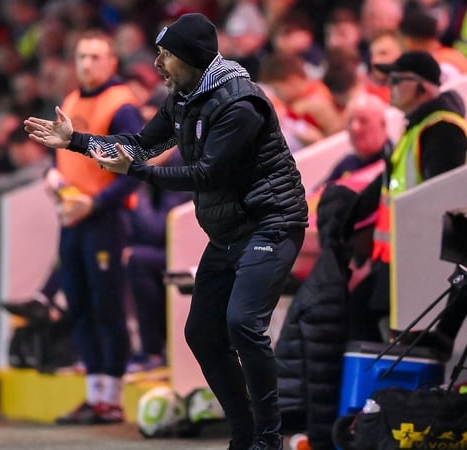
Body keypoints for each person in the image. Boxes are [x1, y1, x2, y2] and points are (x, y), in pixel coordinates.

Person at [25, 13, 308, 450]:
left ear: (192, 59)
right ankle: (244, 435)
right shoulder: (185, 94)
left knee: (243, 324)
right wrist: (75, 141)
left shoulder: (240, 104)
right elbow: (142, 142)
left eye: (166, 55)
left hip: (271, 223)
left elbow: (206, 174)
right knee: (201, 333)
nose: (157, 63)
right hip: (230, 230)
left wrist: (135, 172)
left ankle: (269, 440)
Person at [39, 29, 143, 426]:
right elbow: (61, 154)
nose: (86, 64)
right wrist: (53, 176)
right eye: (82, 56)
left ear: (112, 62)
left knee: (107, 307)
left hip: (105, 220)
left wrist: (94, 202)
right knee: (79, 305)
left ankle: (112, 397)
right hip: (72, 219)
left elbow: (134, 171)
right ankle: (94, 394)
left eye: (96, 57)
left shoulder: (122, 106)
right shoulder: (69, 100)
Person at [352, 50, 467, 345]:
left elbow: (438, 199)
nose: (390, 86)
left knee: (370, 322)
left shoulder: (442, 129)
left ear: (423, 86)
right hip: (399, 255)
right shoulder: (416, 126)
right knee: (361, 317)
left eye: (398, 80)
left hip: (421, 257)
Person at [124, 149, 192, 372]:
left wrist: (138, 185)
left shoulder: (181, 163)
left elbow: (160, 229)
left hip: (191, 251)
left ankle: (152, 350)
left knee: (137, 259)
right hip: (169, 250)